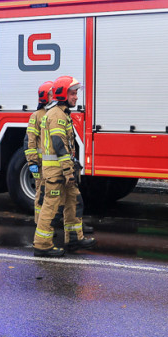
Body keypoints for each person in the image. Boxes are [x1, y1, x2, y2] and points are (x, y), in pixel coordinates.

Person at [34, 75, 94, 257]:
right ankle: (42, 245)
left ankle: (75, 239)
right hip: (57, 172)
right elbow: (59, 145)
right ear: (62, 93)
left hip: (64, 170)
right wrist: (69, 171)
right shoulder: (56, 116)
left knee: (74, 202)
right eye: (73, 93)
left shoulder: (62, 113)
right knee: (51, 208)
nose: (76, 97)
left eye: (76, 93)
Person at [25, 80, 56, 225]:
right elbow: (30, 141)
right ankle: (40, 224)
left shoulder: (55, 113)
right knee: (41, 194)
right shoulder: (37, 115)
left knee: (52, 195)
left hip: (52, 163)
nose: (53, 97)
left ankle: (49, 223)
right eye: (51, 95)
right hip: (39, 163)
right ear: (44, 97)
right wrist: (32, 162)